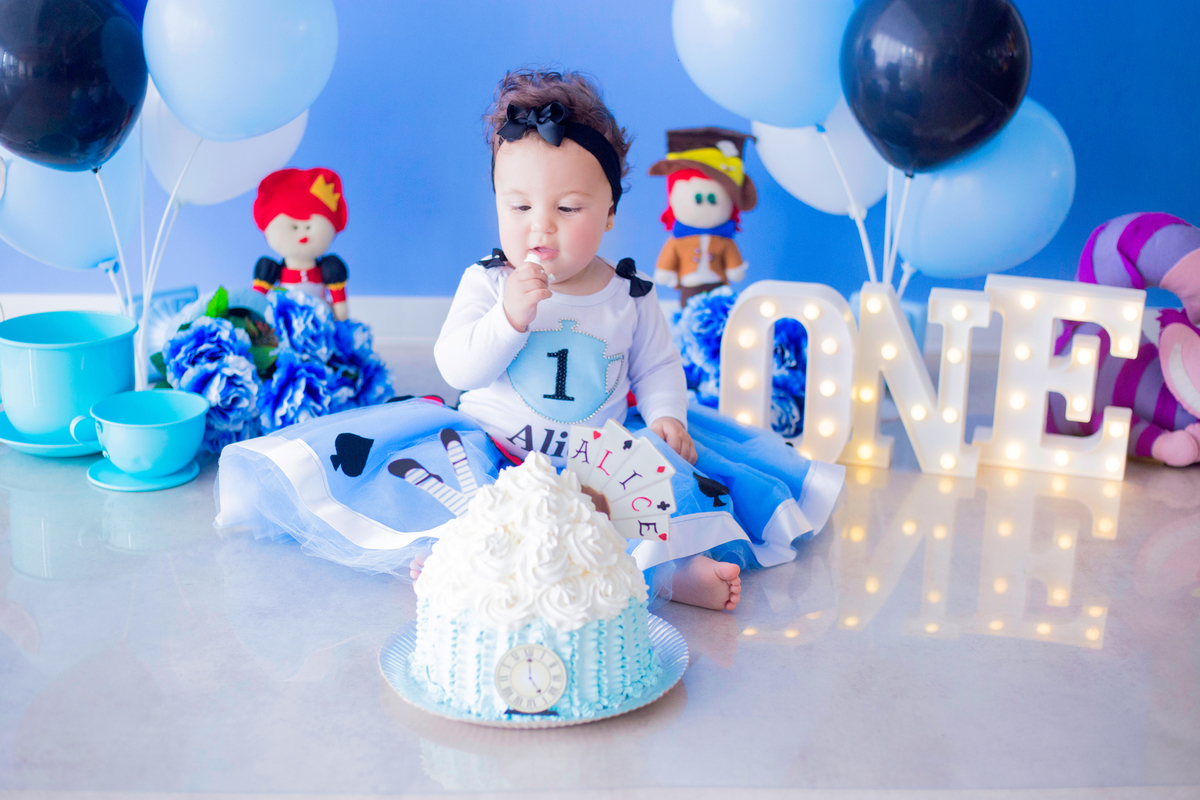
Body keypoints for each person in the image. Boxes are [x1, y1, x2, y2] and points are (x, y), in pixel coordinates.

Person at [215, 70, 844, 612]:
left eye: (567, 209)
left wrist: (667, 416)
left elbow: (658, 367)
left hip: (601, 461)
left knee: (641, 506)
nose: (539, 227)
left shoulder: (630, 296)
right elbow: (456, 365)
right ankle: (456, 565)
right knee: (466, 508)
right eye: (518, 208)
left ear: (610, 213)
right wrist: (507, 321)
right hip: (493, 446)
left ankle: (670, 578)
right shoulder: (488, 283)